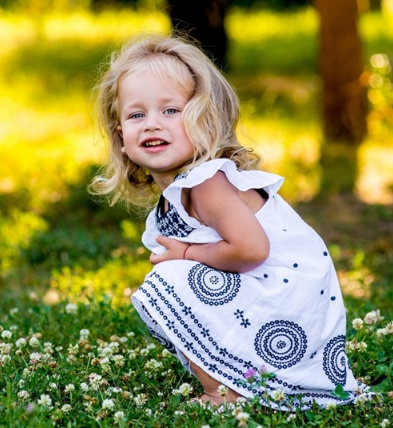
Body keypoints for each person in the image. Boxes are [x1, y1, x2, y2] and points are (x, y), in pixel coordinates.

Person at [90, 34, 366, 409]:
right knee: (173, 284)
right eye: (137, 115)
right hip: (278, 307)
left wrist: (186, 253)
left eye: (170, 111)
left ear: (202, 120)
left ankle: (225, 392)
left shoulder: (207, 183)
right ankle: (240, 378)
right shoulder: (184, 189)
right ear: (121, 134)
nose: (152, 124)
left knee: (169, 279)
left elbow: (252, 249)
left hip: (289, 303)